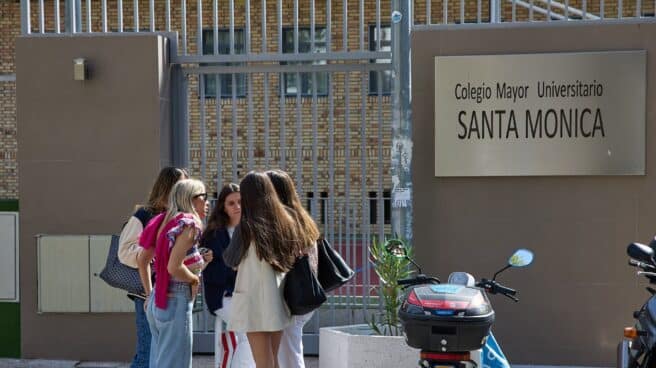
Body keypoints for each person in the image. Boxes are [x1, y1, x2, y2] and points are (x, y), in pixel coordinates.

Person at [223, 171, 301, 368]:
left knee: (262, 362)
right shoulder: (286, 222)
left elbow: (231, 260)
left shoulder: (246, 226)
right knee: (273, 360)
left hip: (252, 301)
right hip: (278, 298)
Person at [137, 178, 212, 368]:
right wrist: (194, 279)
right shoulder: (190, 224)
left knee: (159, 362)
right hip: (175, 300)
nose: (208, 202)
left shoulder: (164, 221)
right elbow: (174, 267)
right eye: (204, 197)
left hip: (158, 301)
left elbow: (142, 260)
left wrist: (149, 294)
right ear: (191, 199)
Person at [117, 167, 188, 368]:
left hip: (174, 293)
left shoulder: (181, 215)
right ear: (168, 186)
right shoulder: (145, 214)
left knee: (165, 355)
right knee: (147, 354)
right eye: (180, 185)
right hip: (147, 295)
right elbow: (125, 251)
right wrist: (156, 256)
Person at [265, 170, 320, 368]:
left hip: (290, 296)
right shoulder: (301, 216)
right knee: (290, 347)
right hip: (304, 292)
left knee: (289, 353)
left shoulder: (284, 220)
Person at [201, 183, 255, 368]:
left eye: (240, 202)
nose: (237, 207)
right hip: (223, 296)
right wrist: (233, 268)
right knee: (249, 332)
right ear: (223, 207)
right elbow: (210, 274)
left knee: (260, 333)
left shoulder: (251, 230)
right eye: (231, 203)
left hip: (249, 295)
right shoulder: (214, 234)